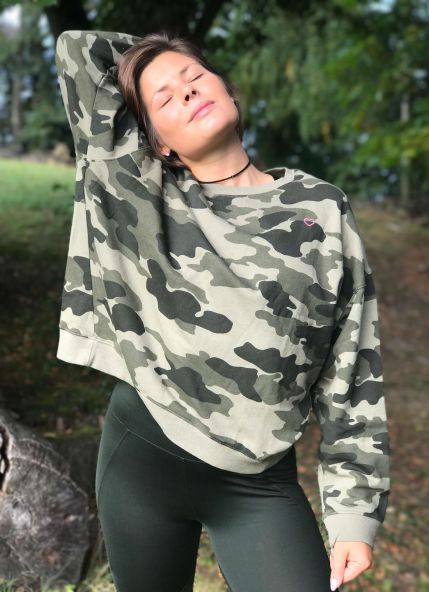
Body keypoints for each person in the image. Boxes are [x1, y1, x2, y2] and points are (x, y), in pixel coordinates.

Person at [54, 27, 391, 592]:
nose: (186, 91)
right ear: (157, 142)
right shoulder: (137, 192)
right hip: (142, 459)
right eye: (164, 98)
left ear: (228, 90)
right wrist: (158, 54)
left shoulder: (320, 208)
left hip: (258, 482)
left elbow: (353, 366)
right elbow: (75, 48)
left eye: (195, 76)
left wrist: (354, 510)